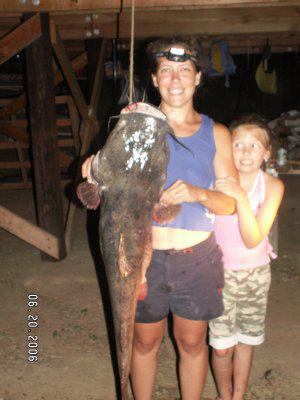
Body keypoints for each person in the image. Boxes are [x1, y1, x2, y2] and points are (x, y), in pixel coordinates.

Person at [82, 38, 237, 400]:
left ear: (198, 78)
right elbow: (104, 174)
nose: (175, 79)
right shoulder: (136, 125)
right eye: (166, 70)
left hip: (196, 259)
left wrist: (198, 193)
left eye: (184, 70)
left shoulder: (216, 134)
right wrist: (92, 168)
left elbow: (229, 204)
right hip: (141, 258)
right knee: (144, 339)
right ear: (154, 79)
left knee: (192, 342)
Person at [209, 115, 285, 400]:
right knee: (221, 346)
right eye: (238, 144)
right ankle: (224, 395)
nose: (245, 152)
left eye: (254, 146)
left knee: (245, 342)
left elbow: (253, 238)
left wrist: (240, 197)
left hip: (255, 275)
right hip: (219, 274)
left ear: (267, 153)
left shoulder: (273, 187)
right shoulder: (216, 181)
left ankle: (238, 396)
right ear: (228, 148)